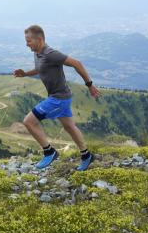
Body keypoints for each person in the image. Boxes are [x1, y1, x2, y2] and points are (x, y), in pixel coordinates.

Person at [14, 25, 102, 171]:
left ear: (39, 39)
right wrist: (26, 74)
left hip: (59, 98)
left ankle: (49, 152)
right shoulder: (38, 53)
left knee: (28, 122)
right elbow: (41, 68)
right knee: (69, 127)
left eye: (29, 41)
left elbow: (77, 63)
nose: (26, 44)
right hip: (63, 96)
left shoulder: (50, 54)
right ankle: (87, 156)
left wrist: (90, 85)